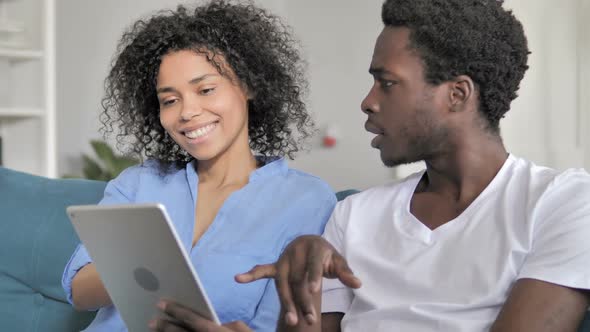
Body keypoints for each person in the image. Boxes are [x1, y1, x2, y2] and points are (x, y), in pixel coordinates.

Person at [150, 0, 590, 331]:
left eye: (388, 83)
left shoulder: (563, 202)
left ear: (457, 94)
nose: (368, 101)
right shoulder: (354, 215)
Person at [61, 1, 338, 331]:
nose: (187, 112)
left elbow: (279, 323)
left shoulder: (305, 199)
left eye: (206, 89)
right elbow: (77, 288)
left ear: (248, 85)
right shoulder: (139, 183)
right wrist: (161, 271)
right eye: (170, 100)